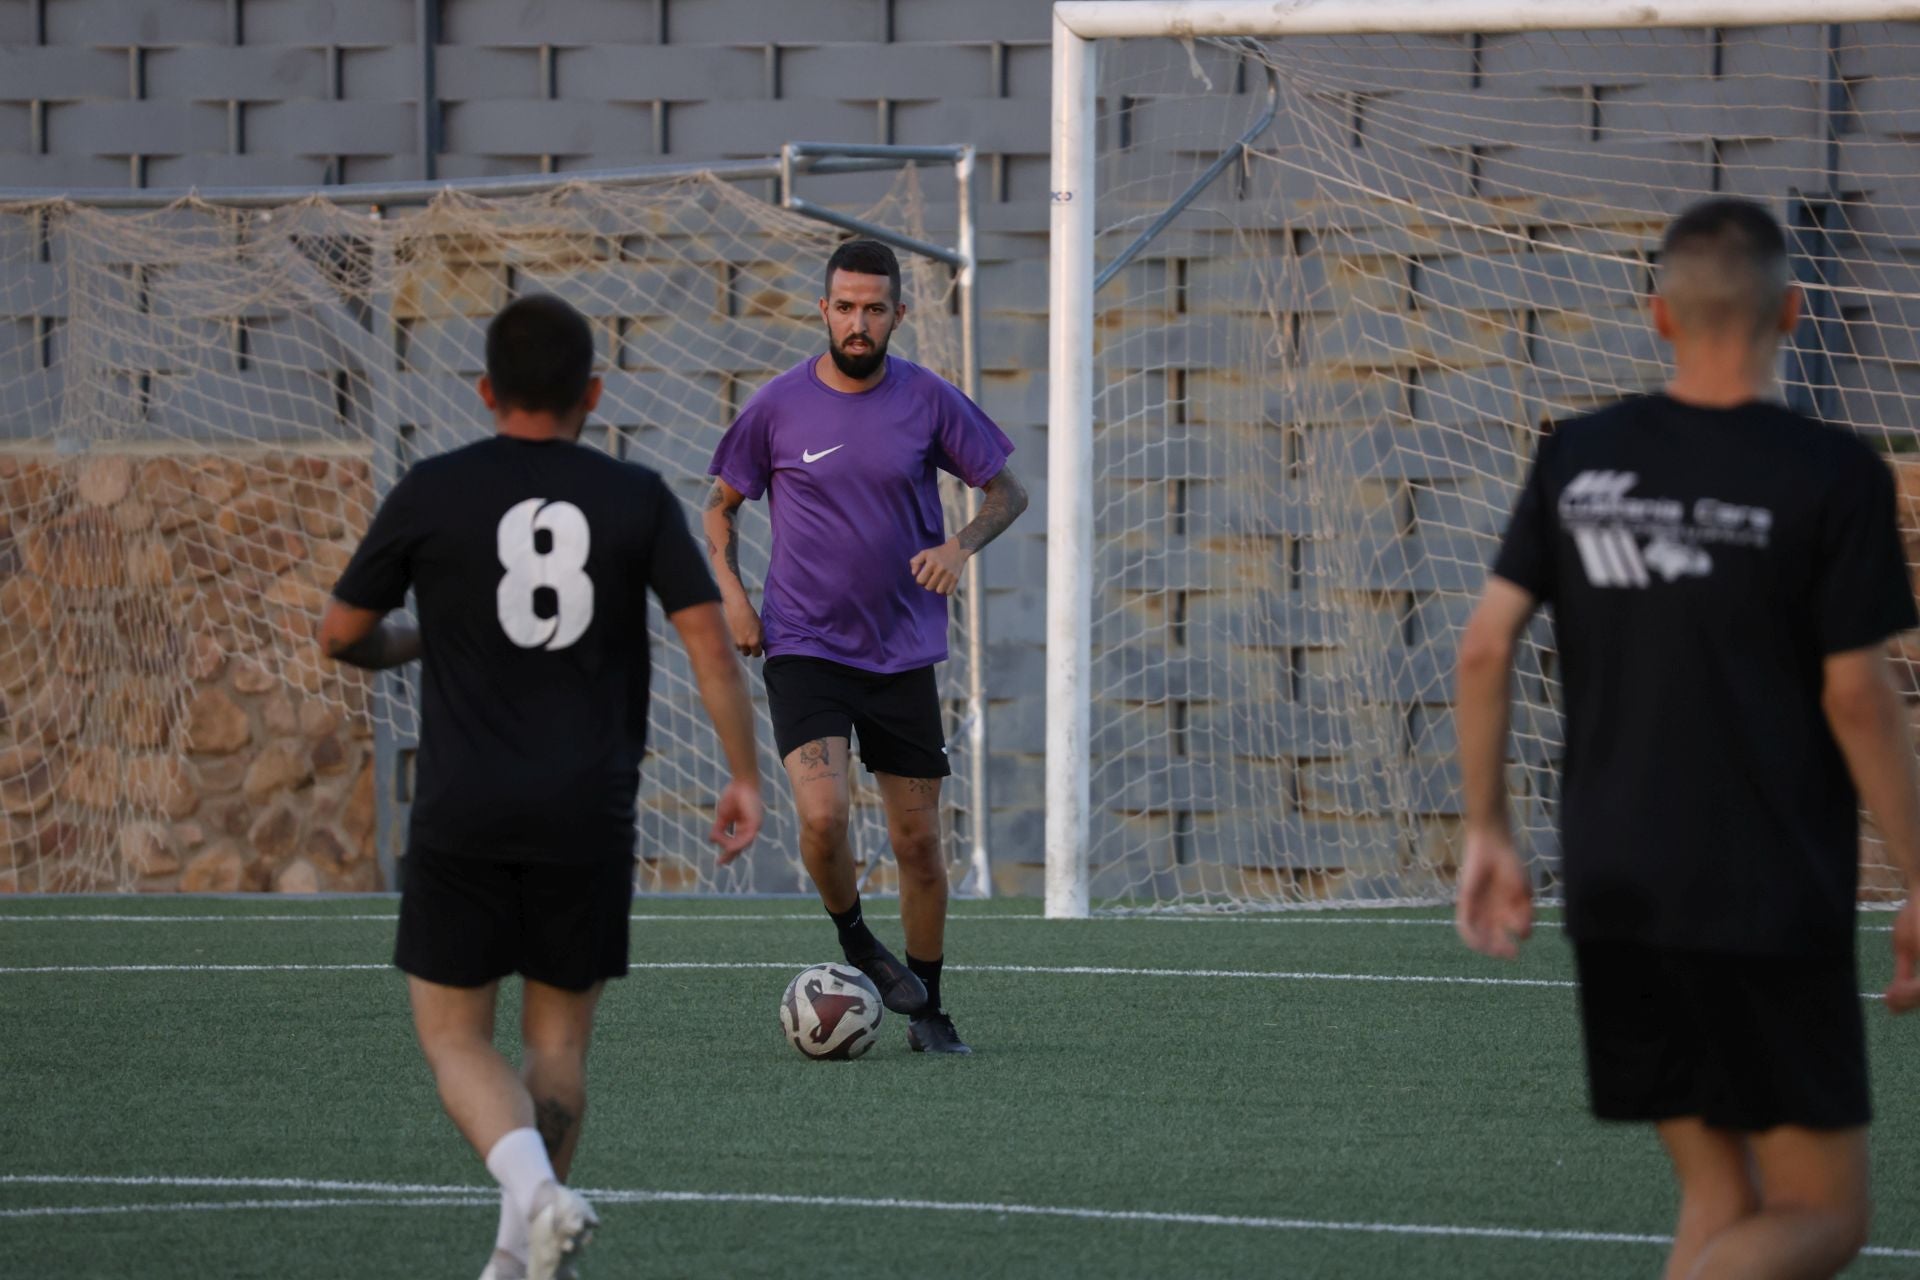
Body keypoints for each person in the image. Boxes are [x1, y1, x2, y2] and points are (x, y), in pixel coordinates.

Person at [1454, 196, 1920, 1280]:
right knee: (1825, 1215)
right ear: (1795, 312)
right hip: (1761, 886)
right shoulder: (1837, 471)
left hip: (1615, 880)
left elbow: (1484, 648)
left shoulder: (1577, 452)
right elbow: (1860, 698)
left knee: (1722, 1195)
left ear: (1658, 316)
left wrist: (1488, 830)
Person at [319, 294, 764, 1280]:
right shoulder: (638, 496)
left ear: (484, 390)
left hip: (464, 806)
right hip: (588, 809)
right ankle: (523, 1252)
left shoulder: (433, 489)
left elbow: (341, 633)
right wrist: (741, 772)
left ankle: (531, 1209)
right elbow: (709, 647)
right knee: (557, 1046)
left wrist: (417, 637)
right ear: (593, 395)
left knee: (453, 1034)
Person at [703, 239, 1027, 1055]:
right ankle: (855, 941)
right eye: (844, 307)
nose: (858, 322)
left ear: (897, 316)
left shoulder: (929, 400)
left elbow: (1008, 492)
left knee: (918, 844)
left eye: (874, 308)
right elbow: (719, 508)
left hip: (901, 652)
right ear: (823, 310)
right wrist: (736, 600)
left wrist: (959, 548)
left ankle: (930, 1009)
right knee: (823, 815)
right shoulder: (777, 406)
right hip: (805, 647)